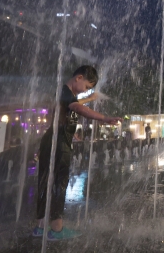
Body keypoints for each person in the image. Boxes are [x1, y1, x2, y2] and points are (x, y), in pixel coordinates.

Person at [33, 66, 121, 241]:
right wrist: (104, 118)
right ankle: (57, 229)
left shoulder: (64, 92)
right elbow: (78, 108)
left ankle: (40, 227)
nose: (87, 90)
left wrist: (72, 131)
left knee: (46, 182)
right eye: (87, 86)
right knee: (59, 183)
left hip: (52, 141)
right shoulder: (66, 92)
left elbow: (67, 111)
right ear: (78, 78)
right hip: (59, 144)